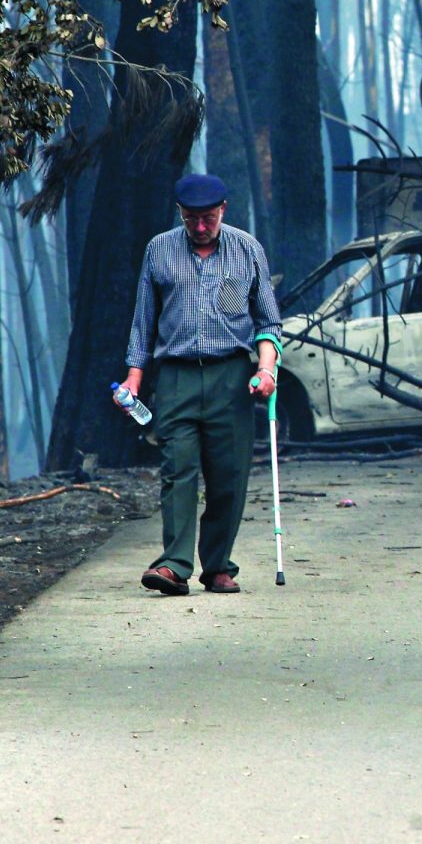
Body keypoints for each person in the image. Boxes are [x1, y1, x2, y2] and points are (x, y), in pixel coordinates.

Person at [121, 173, 281, 595]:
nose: (200, 227)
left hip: (232, 375)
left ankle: (218, 566)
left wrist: (266, 370)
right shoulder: (159, 250)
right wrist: (134, 378)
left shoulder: (247, 249)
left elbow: (268, 323)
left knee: (229, 475)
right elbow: (143, 323)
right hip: (175, 376)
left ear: (222, 211)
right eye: (192, 218)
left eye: (208, 218)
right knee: (178, 470)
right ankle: (173, 565)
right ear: (180, 213)